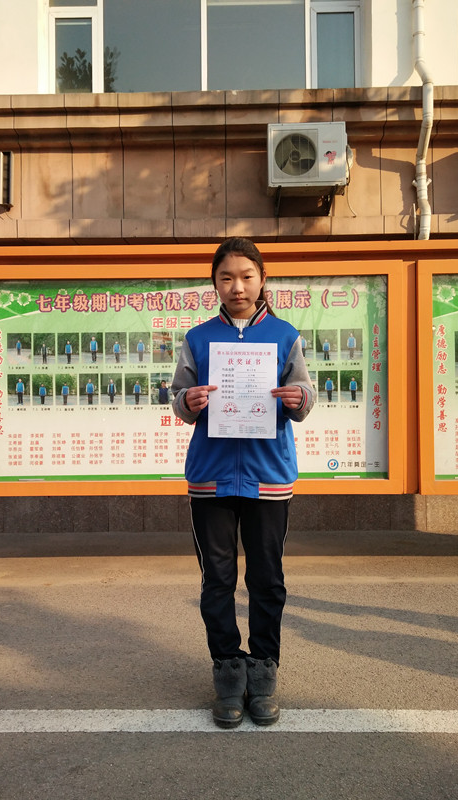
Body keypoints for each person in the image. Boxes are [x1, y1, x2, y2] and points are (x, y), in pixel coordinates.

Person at [172, 237, 313, 730]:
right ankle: (228, 669)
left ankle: (264, 668)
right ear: (214, 282)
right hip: (210, 477)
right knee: (217, 579)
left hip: (268, 476)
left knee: (267, 578)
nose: (237, 286)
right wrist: (188, 402)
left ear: (262, 279)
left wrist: (297, 398)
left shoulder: (285, 335)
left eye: (247, 276)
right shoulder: (198, 338)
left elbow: (306, 393)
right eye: (227, 277)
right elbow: (178, 395)